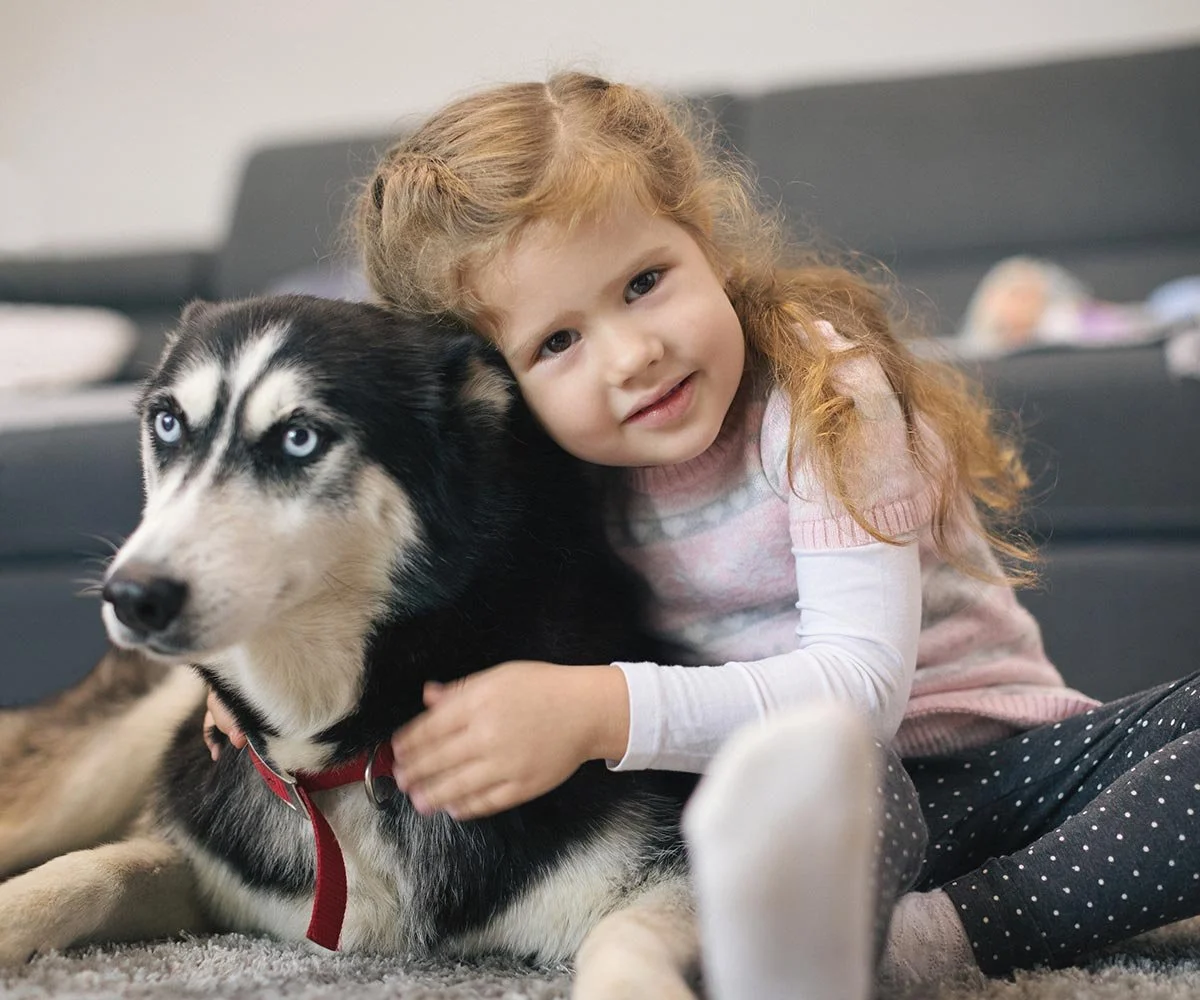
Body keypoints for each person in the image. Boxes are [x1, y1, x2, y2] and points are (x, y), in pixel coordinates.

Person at [205, 73, 1200, 999]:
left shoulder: (825, 395)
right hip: (811, 808)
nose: (635, 353)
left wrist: (598, 708)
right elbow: (388, 582)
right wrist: (240, 686)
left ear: (707, 242)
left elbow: (861, 691)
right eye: (559, 341)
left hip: (1004, 764)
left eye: (645, 281)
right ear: (494, 383)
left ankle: (915, 942)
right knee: (822, 786)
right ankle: (831, 938)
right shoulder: (543, 463)